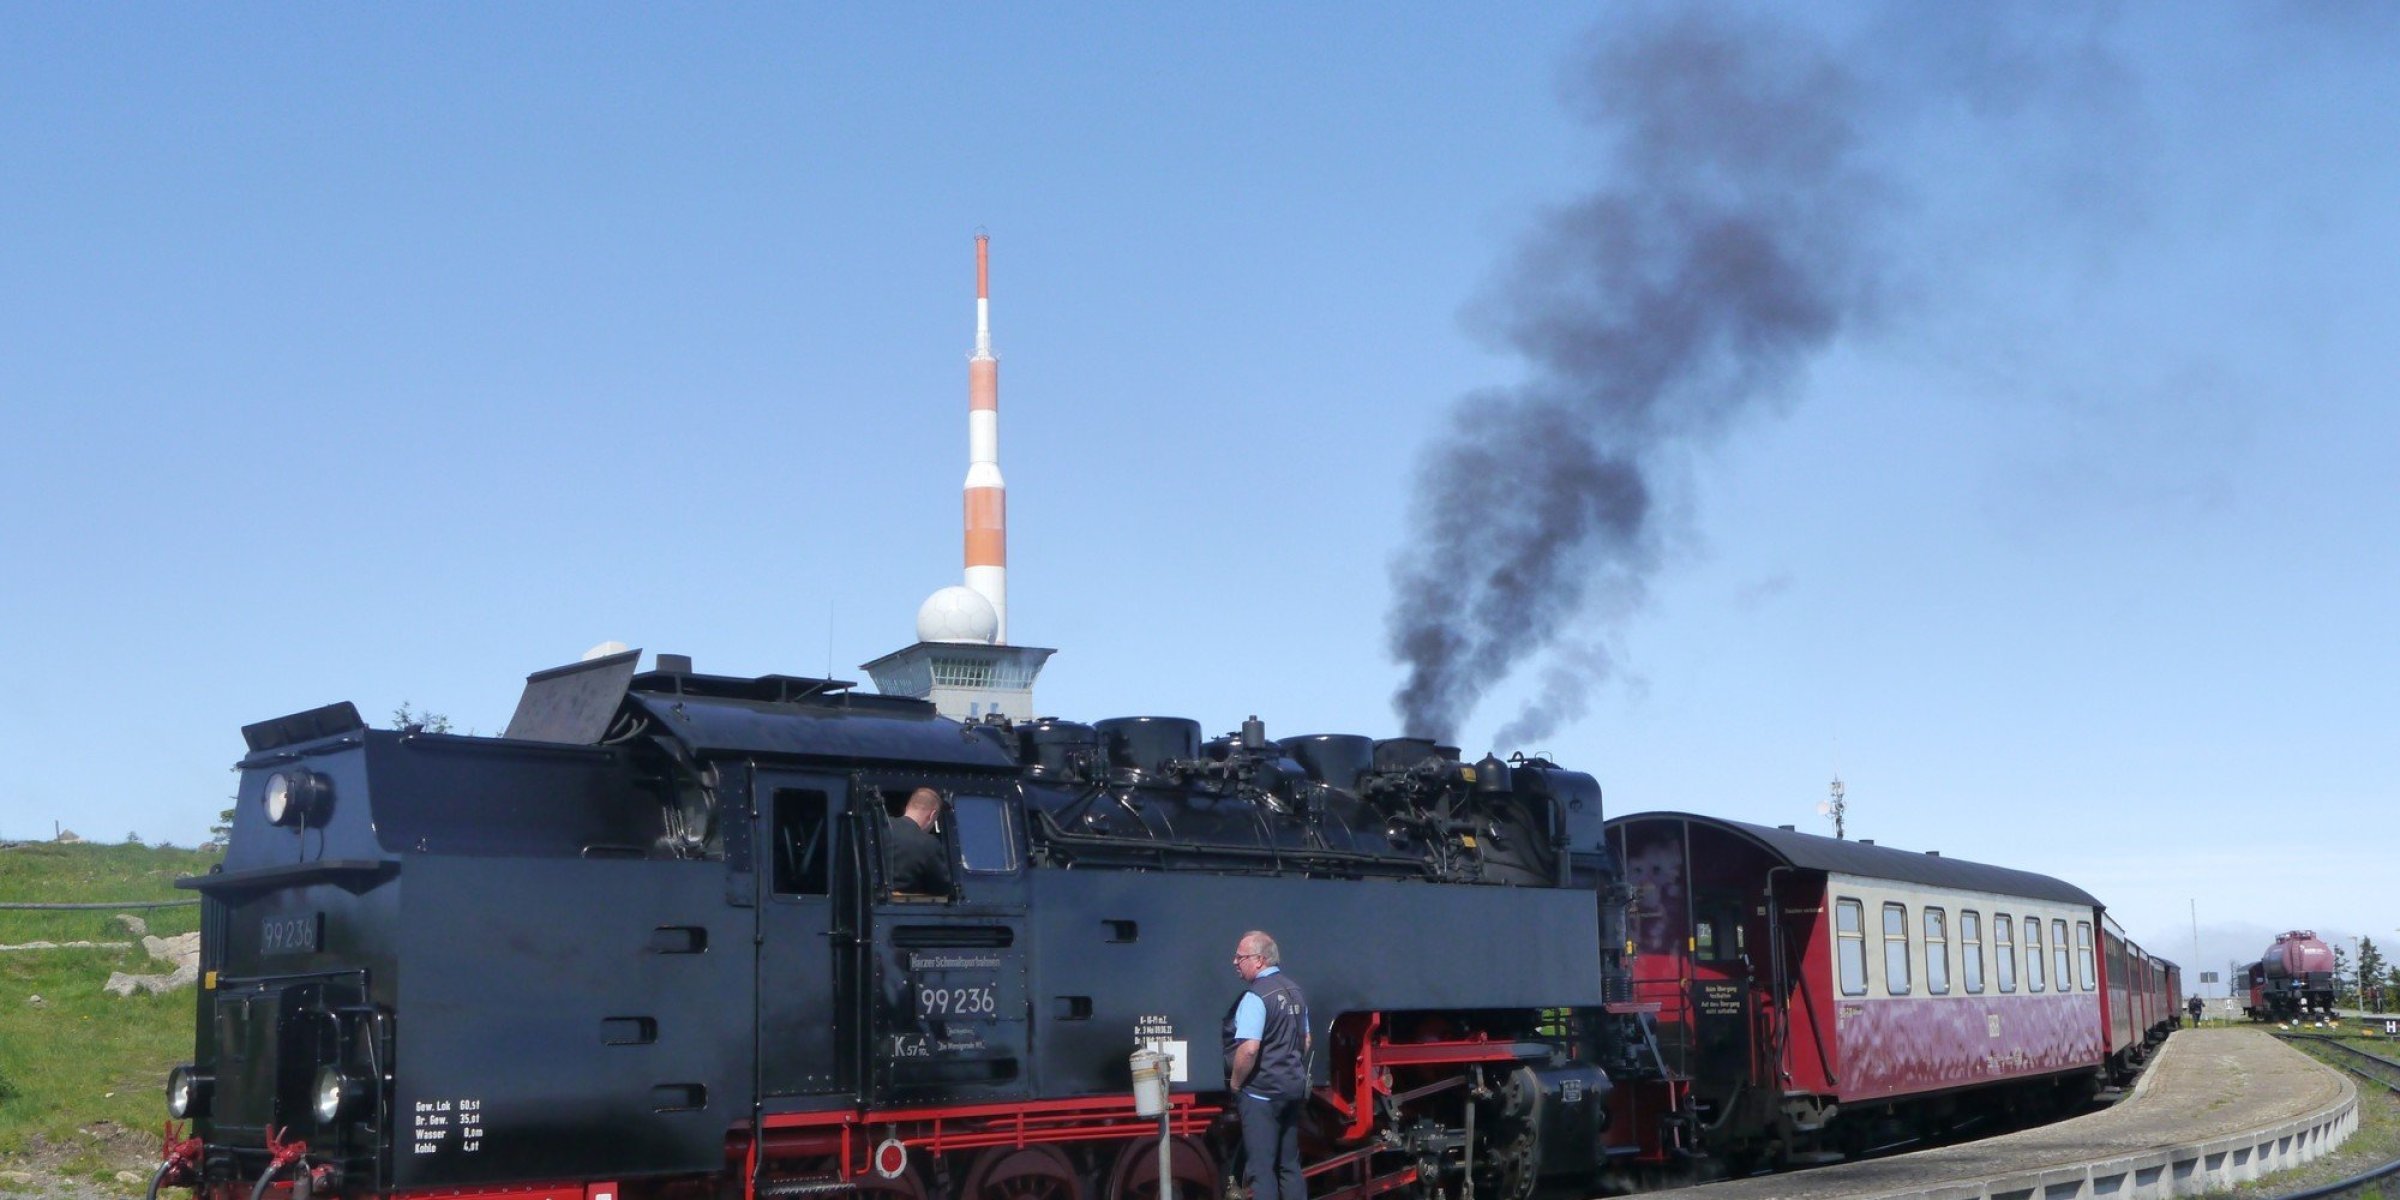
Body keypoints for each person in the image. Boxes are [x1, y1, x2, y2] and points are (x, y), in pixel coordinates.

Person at [1223, 930, 1310, 1200]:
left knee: (1262, 1171)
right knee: (1289, 1166)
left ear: (1259, 960)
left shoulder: (1255, 997)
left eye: (1241, 957)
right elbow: (1306, 1040)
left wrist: (1236, 1083)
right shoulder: (1295, 991)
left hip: (1262, 1096)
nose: (1235, 962)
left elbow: (1249, 1049)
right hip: (1292, 1090)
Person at [885, 788, 950, 894]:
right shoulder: (929, 844)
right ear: (932, 815)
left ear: (907, 807)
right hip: (908, 903)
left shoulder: (880, 828)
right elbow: (942, 888)